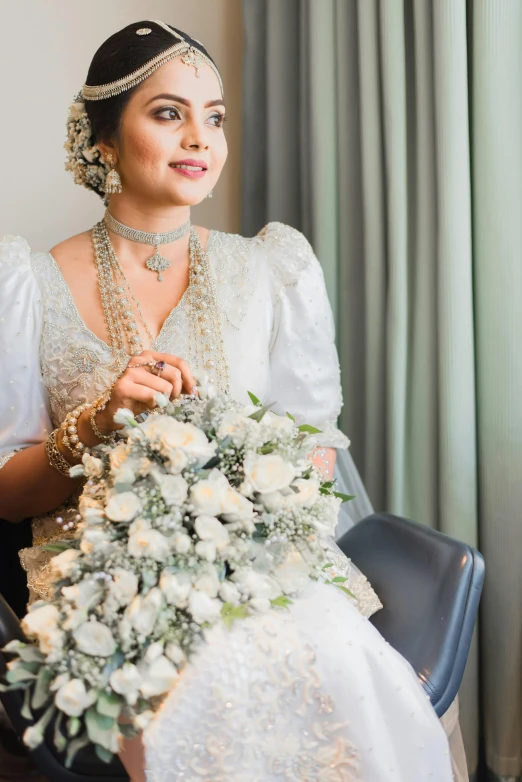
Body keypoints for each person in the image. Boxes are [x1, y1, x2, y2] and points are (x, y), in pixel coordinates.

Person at [0, 20, 460, 781]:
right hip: (106, 587)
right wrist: (98, 425)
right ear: (104, 139)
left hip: (264, 567)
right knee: (199, 688)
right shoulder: (26, 287)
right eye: (168, 112)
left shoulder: (269, 272)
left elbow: (316, 447)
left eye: (213, 116)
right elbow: (9, 495)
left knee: (338, 671)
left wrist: (248, 500)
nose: (200, 137)